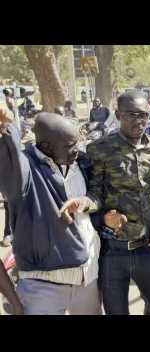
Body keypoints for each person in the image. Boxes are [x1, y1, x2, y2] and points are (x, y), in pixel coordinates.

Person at [68, 91, 150, 315]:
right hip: (113, 251)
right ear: (117, 115)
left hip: (148, 249)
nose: (139, 120)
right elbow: (95, 192)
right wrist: (88, 204)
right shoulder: (99, 149)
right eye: (132, 114)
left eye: (144, 115)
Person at [0, 107, 101, 315]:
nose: (77, 149)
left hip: (87, 279)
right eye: (69, 145)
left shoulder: (80, 162)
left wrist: (85, 202)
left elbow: (96, 195)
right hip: (43, 287)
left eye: (77, 142)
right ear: (45, 146)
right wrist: (7, 126)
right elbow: (11, 160)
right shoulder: (25, 169)